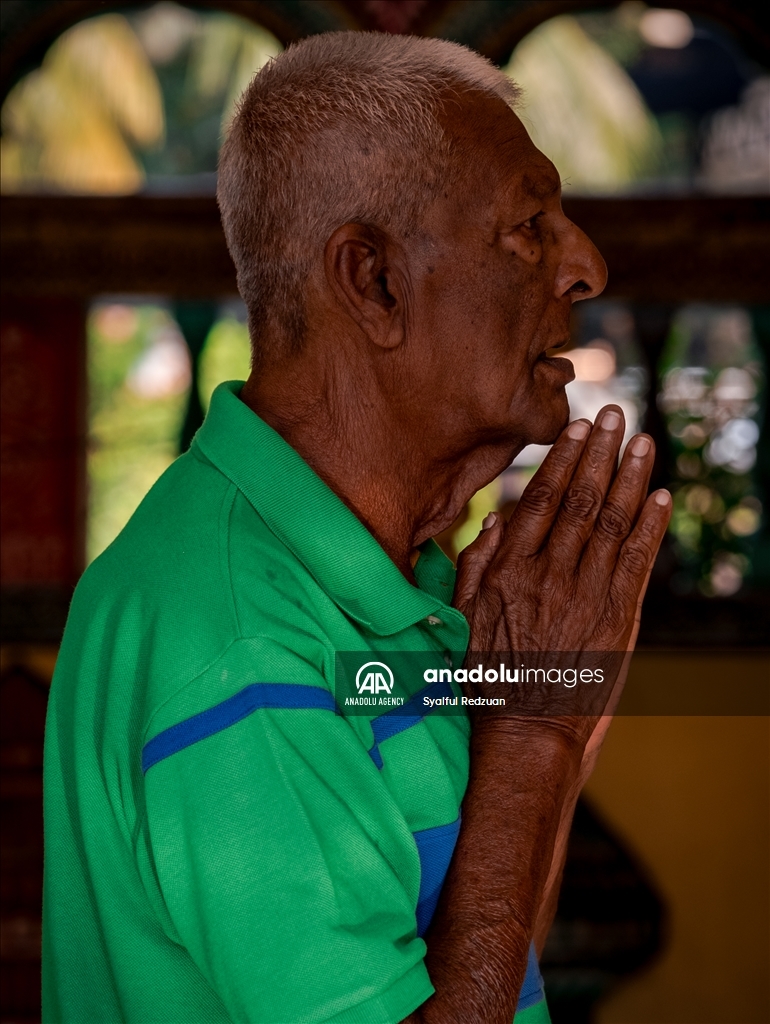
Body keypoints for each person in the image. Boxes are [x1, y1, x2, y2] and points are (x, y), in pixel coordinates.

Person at [43, 31, 671, 1024]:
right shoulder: (236, 637)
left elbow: (478, 946)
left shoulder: (402, 580)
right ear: (372, 281)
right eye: (527, 225)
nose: (584, 268)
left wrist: (541, 706)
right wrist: (536, 737)